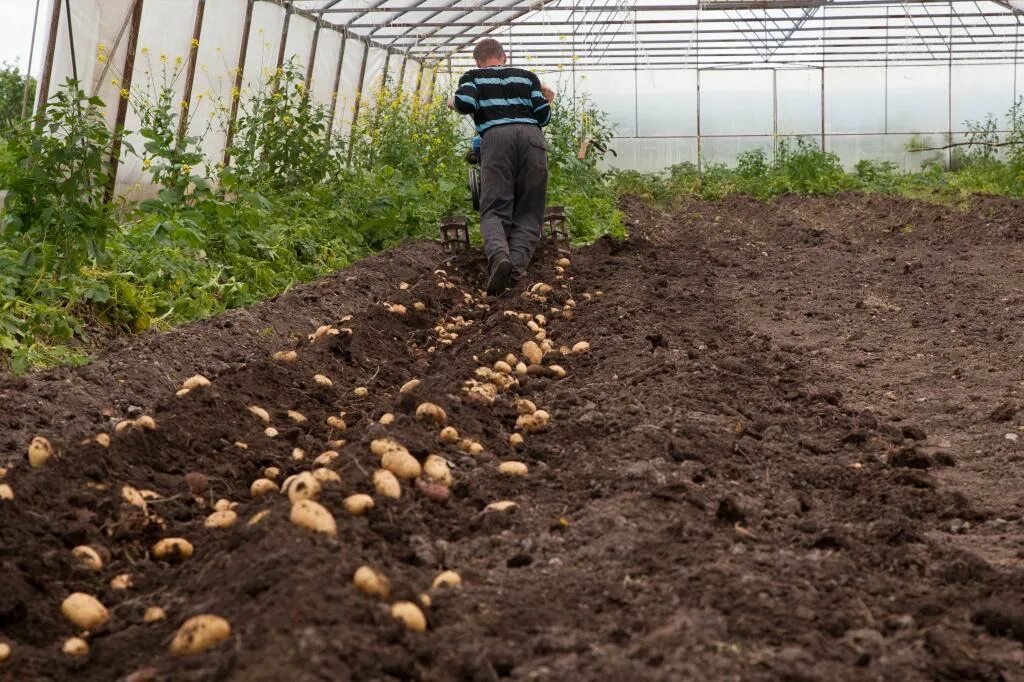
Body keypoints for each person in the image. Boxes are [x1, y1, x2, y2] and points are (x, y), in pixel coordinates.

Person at [448, 38, 555, 295]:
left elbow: (464, 104)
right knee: (529, 211)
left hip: (496, 141)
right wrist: (546, 98)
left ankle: (499, 259)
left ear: (478, 61)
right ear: (504, 56)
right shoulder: (527, 77)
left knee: (495, 209)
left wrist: (451, 102)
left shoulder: (473, 77)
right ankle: (515, 272)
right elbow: (544, 116)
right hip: (532, 139)